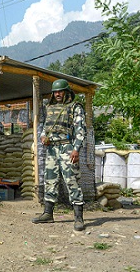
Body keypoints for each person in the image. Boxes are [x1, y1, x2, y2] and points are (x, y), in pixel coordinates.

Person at [32, 79, 86, 231]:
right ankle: (48, 214)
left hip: (67, 148)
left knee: (72, 181)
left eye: (60, 91)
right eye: (55, 92)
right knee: (50, 180)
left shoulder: (75, 107)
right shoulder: (49, 107)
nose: (57, 94)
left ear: (67, 92)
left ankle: (78, 218)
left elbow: (81, 129)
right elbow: (45, 126)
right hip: (51, 149)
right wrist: (43, 136)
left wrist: (76, 149)